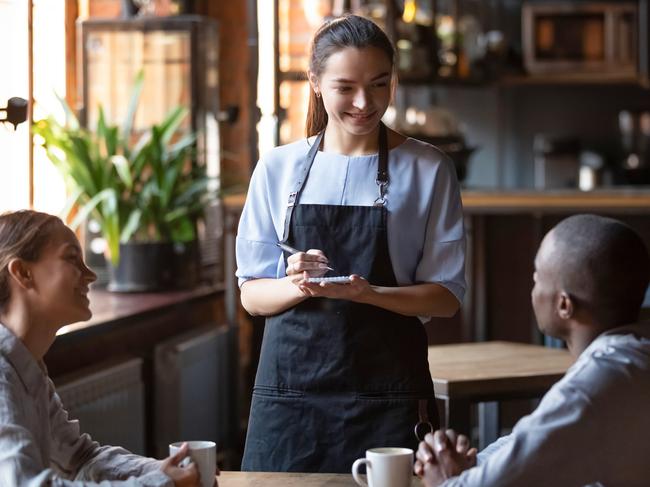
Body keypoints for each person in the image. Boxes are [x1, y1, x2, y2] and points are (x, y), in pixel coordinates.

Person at [236, 14, 465, 472]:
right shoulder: (277, 168)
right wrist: (297, 283)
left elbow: (445, 298)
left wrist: (370, 293)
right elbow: (252, 295)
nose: (365, 102)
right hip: (290, 402)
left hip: (389, 396)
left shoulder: (428, 168)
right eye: (346, 88)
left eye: (380, 85)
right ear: (316, 83)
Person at [414, 214, 650, 487]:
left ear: (564, 305)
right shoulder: (632, 356)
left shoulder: (592, 387)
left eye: (537, 277)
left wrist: (443, 476)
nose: (532, 290)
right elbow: (528, 441)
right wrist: (469, 463)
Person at [0, 210, 205, 486]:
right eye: (72, 258)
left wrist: (158, 472)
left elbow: (80, 459)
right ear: (23, 273)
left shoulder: (28, 367)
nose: (91, 275)